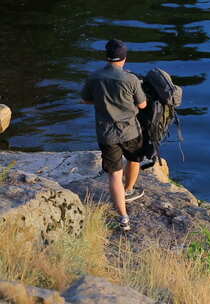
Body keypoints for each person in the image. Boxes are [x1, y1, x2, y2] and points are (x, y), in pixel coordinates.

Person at [80, 39, 147, 231]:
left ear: (106, 57)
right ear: (124, 58)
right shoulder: (131, 79)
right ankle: (129, 190)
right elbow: (142, 105)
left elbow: (85, 99)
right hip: (130, 131)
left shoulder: (94, 77)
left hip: (106, 134)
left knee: (114, 175)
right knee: (134, 160)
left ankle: (123, 218)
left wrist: (102, 103)